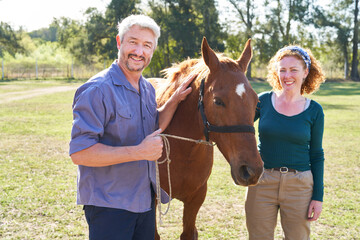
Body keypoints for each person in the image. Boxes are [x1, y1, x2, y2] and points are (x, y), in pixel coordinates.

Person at [69, 15, 193, 240]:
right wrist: (138, 152)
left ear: (152, 51)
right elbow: (80, 152)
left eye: (147, 45)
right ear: (119, 42)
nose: (139, 51)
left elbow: (153, 125)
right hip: (109, 205)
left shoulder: (146, 89)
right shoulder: (97, 90)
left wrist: (174, 100)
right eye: (133, 42)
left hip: (144, 202)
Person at [245, 45, 326, 240]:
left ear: (306, 72)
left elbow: (316, 154)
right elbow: (240, 127)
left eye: (293, 70)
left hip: (300, 186)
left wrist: (318, 196)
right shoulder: (262, 101)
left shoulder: (314, 111)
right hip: (262, 182)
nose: (287, 75)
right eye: (282, 70)